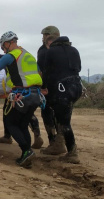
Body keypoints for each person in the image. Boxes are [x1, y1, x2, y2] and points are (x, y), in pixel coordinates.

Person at [0, 31, 43, 168]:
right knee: (22, 125)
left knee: (11, 124)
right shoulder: (28, 55)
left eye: (3, 47)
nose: (3, 49)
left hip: (21, 95)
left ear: (7, 43)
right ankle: (26, 153)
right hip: (35, 94)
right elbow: (39, 73)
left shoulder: (11, 56)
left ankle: (27, 151)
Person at [42, 34, 82, 163]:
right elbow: (79, 68)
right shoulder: (74, 50)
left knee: (64, 122)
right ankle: (62, 146)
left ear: (50, 42)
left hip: (62, 88)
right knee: (65, 116)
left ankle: (72, 152)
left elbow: (46, 71)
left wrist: (44, 87)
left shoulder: (51, 51)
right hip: (76, 86)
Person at [38, 26, 67, 155]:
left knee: (47, 113)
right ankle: (61, 142)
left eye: (44, 35)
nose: (43, 38)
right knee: (62, 115)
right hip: (66, 86)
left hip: (50, 87)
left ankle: (54, 143)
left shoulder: (44, 50)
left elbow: (43, 70)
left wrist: (41, 86)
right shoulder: (66, 48)